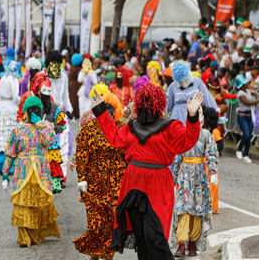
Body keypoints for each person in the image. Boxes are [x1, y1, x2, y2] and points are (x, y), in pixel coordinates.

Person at [91, 84, 204, 259]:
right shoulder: (132, 127)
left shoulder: (170, 126)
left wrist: (192, 116)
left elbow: (187, 141)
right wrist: (100, 110)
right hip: (134, 183)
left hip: (155, 184)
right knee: (142, 236)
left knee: (154, 235)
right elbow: (115, 138)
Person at [2, 96, 61, 247]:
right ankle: (24, 237)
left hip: (41, 172)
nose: (34, 112)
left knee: (40, 204)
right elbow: (11, 151)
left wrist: (40, 124)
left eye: (37, 109)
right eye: (31, 110)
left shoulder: (45, 126)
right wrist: (5, 172)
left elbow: (51, 140)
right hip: (23, 171)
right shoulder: (19, 129)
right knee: (24, 203)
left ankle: (37, 233)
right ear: (26, 112)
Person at [73, 92, 125, 260]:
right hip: (94, 181)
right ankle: (95, 253)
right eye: (105, 108)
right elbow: (82, 154)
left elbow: (129, 153)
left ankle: (108, 254)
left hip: (116, 181)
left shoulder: (121, 128)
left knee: (111, 221)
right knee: (96, 222)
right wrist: (82, 178)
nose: (108, 112)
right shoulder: (88, 129)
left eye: (111, 109)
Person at [172, 108, 219, 257]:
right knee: (183, 209)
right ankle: (181, 244)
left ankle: (192, 244)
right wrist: (173, 178)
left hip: (199, 177)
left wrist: (213, 172)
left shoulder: (206, 135)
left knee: (197, 211)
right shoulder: (182, 133)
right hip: (184, 177)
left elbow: (212, 154)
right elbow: (177, 156)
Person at [31, 72, 67, 193]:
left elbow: (62, 126)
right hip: (37, 143)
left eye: (48, 94)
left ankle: (54, 184)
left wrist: (52, 127)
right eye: (43, 94)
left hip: (51, 143)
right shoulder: (35, 106)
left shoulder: (56, 108)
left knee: (52, 164)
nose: (46, 98)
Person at [45, 50, 73, 186]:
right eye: (52, 63)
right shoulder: (44, 76)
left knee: (63, 145)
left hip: (61, 113)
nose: (55, 66)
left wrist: (69, 110)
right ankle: (48, 174)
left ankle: (61, 176)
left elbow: (65, 95)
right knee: (48, 144)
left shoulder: (63, 76)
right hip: (47, 113)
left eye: (57, 63)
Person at [167, 61, 219, 125]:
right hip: (176, 120)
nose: (183, 83)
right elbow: (167, 104)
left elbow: (207, 98)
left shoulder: (197, 81)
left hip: (194, 117)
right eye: (181, 82)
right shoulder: (173, 86)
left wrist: (216, 113)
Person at [0, 60, 20, 174]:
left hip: (1, 108)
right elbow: (15, 96)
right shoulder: (14, 80)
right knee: (11, 136)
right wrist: (21, 105)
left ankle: (0, 165)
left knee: (1, 135)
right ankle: (10, 166)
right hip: (11, 109)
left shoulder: (3, 78)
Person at [235, 74, 259, 163]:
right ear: (242, 85)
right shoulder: (240, 94)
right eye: (245, 83)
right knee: (246, 134)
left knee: (249, 136)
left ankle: (245, 154)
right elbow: (248, 103)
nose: (247, 84)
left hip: (249, 116)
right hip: (242, 116)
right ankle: (239, 150)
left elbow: (253, 94)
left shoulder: (247, 91)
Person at [203, 106, 222, 214]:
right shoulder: (201, 131)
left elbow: (220, 145)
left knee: (212, 183)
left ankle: (210, 204)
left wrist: (212, 149)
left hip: (211, 161)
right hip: (202, 161)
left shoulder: (214, 132)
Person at [69, 53, 83, 121]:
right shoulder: (79, 69)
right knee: (76, 100)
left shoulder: (72, 68)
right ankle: (75, 115)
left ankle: (73, 114)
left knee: (72, 99)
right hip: (76, 85)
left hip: (71, 85)